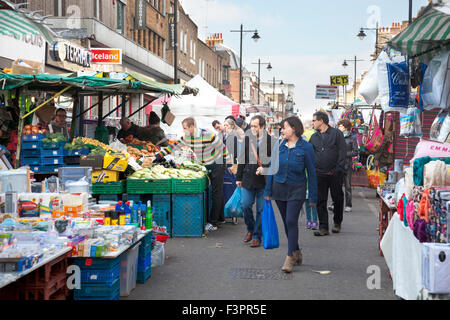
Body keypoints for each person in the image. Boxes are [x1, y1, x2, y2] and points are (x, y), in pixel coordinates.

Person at [151, 117, 232, 231]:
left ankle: (213, 222)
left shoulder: (209, 135)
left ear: (192, 127)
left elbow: (223, 148)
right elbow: (172, 147)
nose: (183, 130)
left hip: (218, 163)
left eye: (185, 128)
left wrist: (230, 165)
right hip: (206, 164)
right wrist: (156, 157)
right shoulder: (186, 138)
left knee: (216, 192)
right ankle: (220, 217)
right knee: (216, 191)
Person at [263, 116, 317, 273]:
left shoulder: (306, 147)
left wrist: (312, 197)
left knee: (291, 220)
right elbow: (272, 167)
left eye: (284, 127)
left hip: (297, 189)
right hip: (279, 188)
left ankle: (289, 258)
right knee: (287, 223)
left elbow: (311, 173)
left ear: (294, 128)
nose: (282, 130)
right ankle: (296, 250)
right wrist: (268, 191)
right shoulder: (278, 145)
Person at [236, 115, 275, 248]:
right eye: (251, 126)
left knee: (261, 209)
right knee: (245, 205)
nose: (252, 128)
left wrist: (264, 168)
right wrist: (238, 178)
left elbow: (274, 162)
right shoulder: (247, 139)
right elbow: (241, 159)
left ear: (263, 127)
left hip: (263, 181)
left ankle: (257, 236)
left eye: (255, 126)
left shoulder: (272, 141)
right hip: (248, 178)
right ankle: (250, 229)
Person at [309, 111, 346, 236]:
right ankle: (323, 227)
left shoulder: (337, 134)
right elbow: (310, 154)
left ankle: (337, 222)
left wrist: (338, 169)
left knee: (338, 198)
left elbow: (342, 152)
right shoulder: (313, 137)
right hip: (319, 174)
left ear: (321, 121)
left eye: (314, 120)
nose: (312, 123)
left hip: (335, 173)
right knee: (320, 200)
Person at [223, 119, 244, 224]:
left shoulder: (233, 136)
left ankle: (232, 211)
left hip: (232, 164)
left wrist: (231, 164)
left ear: (231, 126)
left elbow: (234, 152)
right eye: (224, 125)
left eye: (226, 125)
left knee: (231, 187)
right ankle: (229, 211)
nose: (224, 127)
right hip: (229, 164)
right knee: (228, 187)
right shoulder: (227, 135)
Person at [337, 119, 359, 213]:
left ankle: (348, 204)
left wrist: (344, 153)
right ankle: (335, 203)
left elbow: (355, 152)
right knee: (336, 186)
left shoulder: (352, 137)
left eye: (341, 126)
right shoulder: (337, 136)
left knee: (348, 186)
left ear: (346, 127)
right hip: (337, 164)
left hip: (347, 165)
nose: (339, 128)